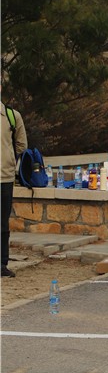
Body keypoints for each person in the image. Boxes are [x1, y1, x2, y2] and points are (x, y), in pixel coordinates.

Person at [1, 94, 27, 278]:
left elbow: (21, 145)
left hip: (4, 178)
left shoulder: (12, 115)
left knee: (2, 223)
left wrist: (9, 160)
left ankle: (1, 263)